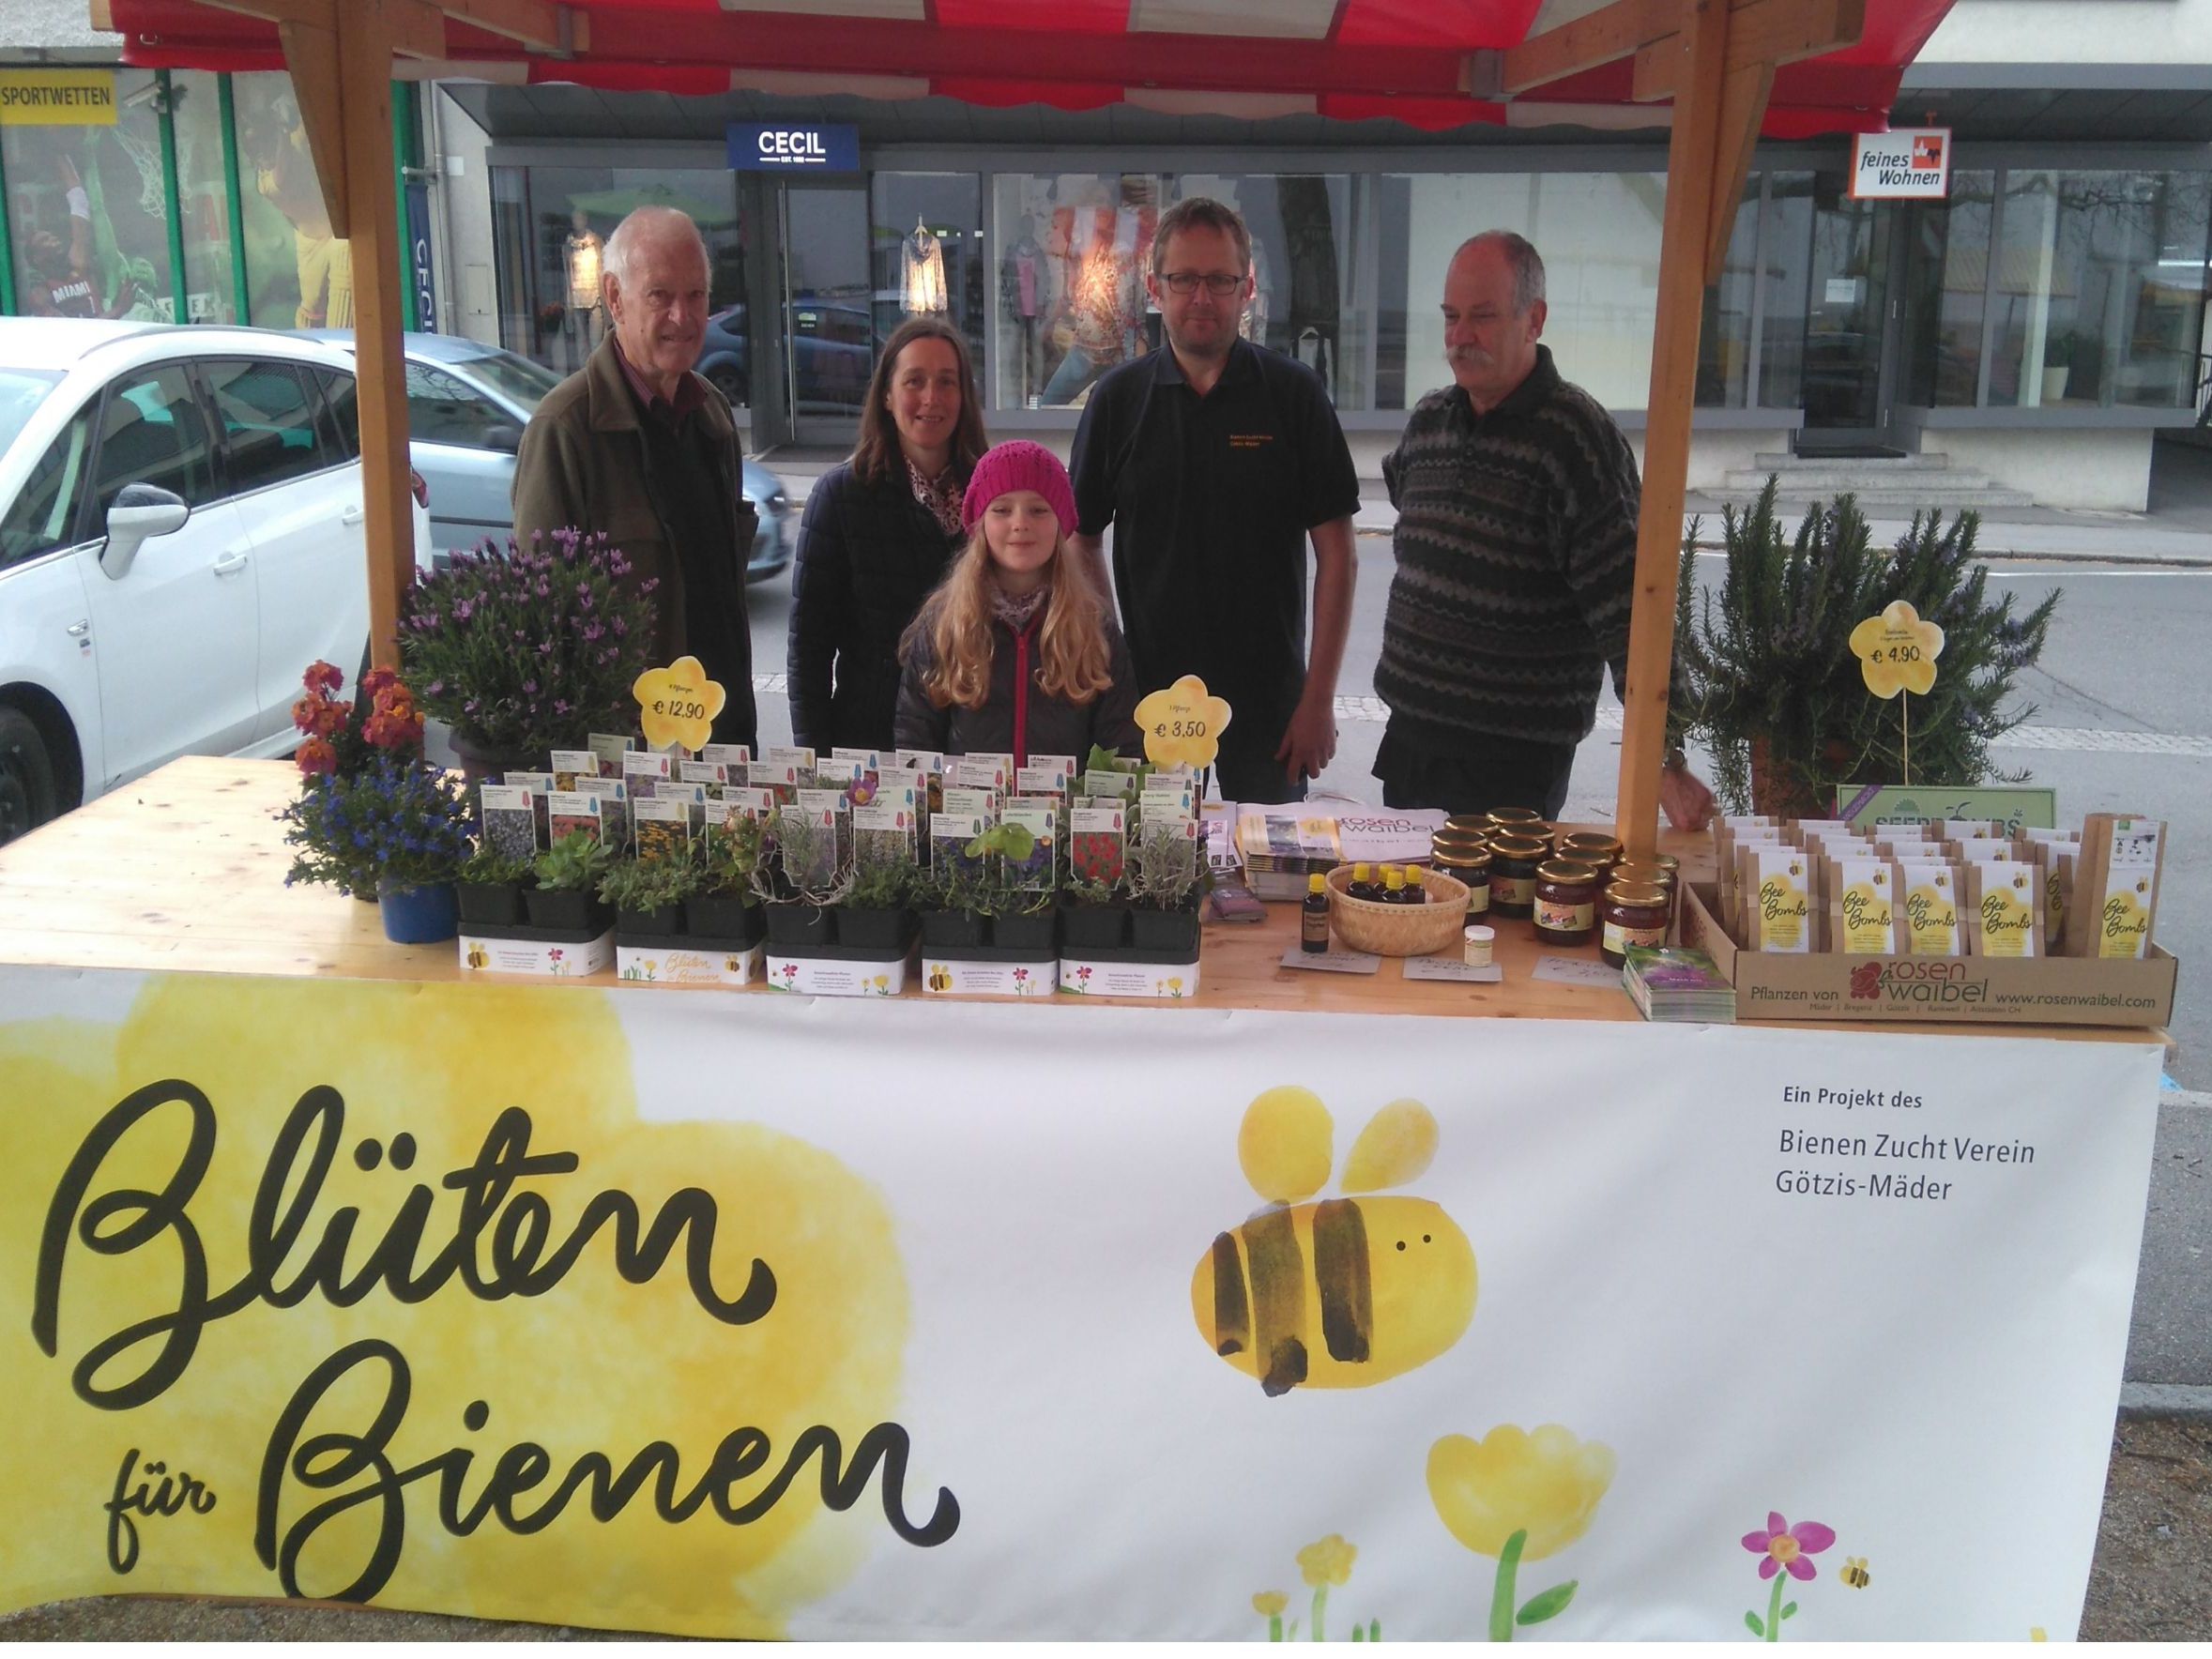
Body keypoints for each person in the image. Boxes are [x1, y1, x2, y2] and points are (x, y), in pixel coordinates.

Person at [1373, 231, 1715, 829]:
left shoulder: (1575, 440)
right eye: (1451, 317)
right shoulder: (1428, 422)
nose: (1459, 337)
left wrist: (1664, 754)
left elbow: (1633, 609)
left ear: (1535, 319)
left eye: (1481, 317)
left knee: (1493, 922)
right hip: (1410, 741)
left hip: (1512, 763)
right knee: (1404, 916)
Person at [1068, 196, 1358, 804]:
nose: (1202, 297)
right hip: (1150, 701)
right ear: (1155, 287)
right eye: (1184, 280)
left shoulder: (1294, 397)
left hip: (1272, 705)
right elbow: (1080, 538)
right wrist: (1112, 658)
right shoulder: (1117, 401)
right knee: (1154, 881)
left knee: (1266, 878)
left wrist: (1317, 699)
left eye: (1220, 280)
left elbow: (1338, 556)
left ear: (1246, 287)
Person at [512, 205, 757, 747]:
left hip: (725, 738)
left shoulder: (712, 415)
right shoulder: (565, 429)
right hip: (631, 763)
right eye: (660, 295)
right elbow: (541, 630)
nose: (683, 316)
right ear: (615, 298)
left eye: (696, 295)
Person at [787, 317, 987, 753]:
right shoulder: (839, 497)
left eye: (947, 382)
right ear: (887, 395)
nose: (931, 398)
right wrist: (816, 762)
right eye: (914, 380)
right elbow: (809, 651)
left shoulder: (993, 495)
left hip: (973, 742)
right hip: (871, 744)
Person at [895, 441, 1140, 765]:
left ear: (1061, 523)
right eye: (1002, 510)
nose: (1020, 523)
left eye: (1038, 510)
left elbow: (1121, 748)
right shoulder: (944, 625)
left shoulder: (1095, 629)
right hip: (970, 814)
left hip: (1066, 814)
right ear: (980, 525)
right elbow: (916, 744)